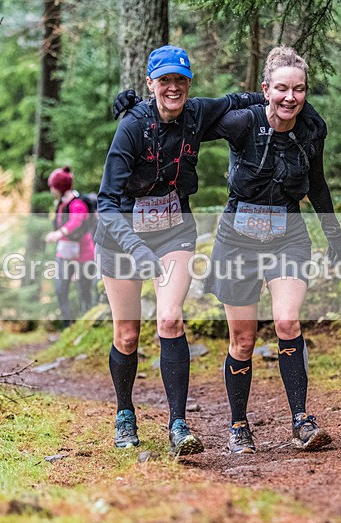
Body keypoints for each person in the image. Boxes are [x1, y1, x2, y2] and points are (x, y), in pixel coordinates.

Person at [95, 45, 265, 455]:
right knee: (127, 333)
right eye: (165, 80)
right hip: (122, 235)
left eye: (181, 80)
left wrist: (282, 98)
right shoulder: (132, 127)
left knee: (170, 319)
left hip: (173, 231)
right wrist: (135, 248)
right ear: (150, 83)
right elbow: (105, 201)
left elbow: (239, 100)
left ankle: (178, 424)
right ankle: (124, 414)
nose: (174, 87)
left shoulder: (196, 115)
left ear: (189, 83)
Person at [203, 46, 341, 454]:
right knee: (243, 341)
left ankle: (301, 420)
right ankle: (238, 426)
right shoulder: (241, 122)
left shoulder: (311, 129)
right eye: (281, 89)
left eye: (298, 90)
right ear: (266, 89)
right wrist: (141, 109)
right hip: (237, 239)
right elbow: (188, 120)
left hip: (288, 234)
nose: (290, 98)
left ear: (306, 92)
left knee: (287, 322)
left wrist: (334, 238)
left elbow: (317, 185)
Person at [44, 166, 98, 329]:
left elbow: (77, 221)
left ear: (59, 188)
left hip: (84, 254)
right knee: (61, 288)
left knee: (84, 291)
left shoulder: (77, 203)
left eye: (52, 186)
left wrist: (59, 233)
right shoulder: (61, 203)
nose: (51, 190)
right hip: (65, 253)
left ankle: (88, 325)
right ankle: (68, 326)